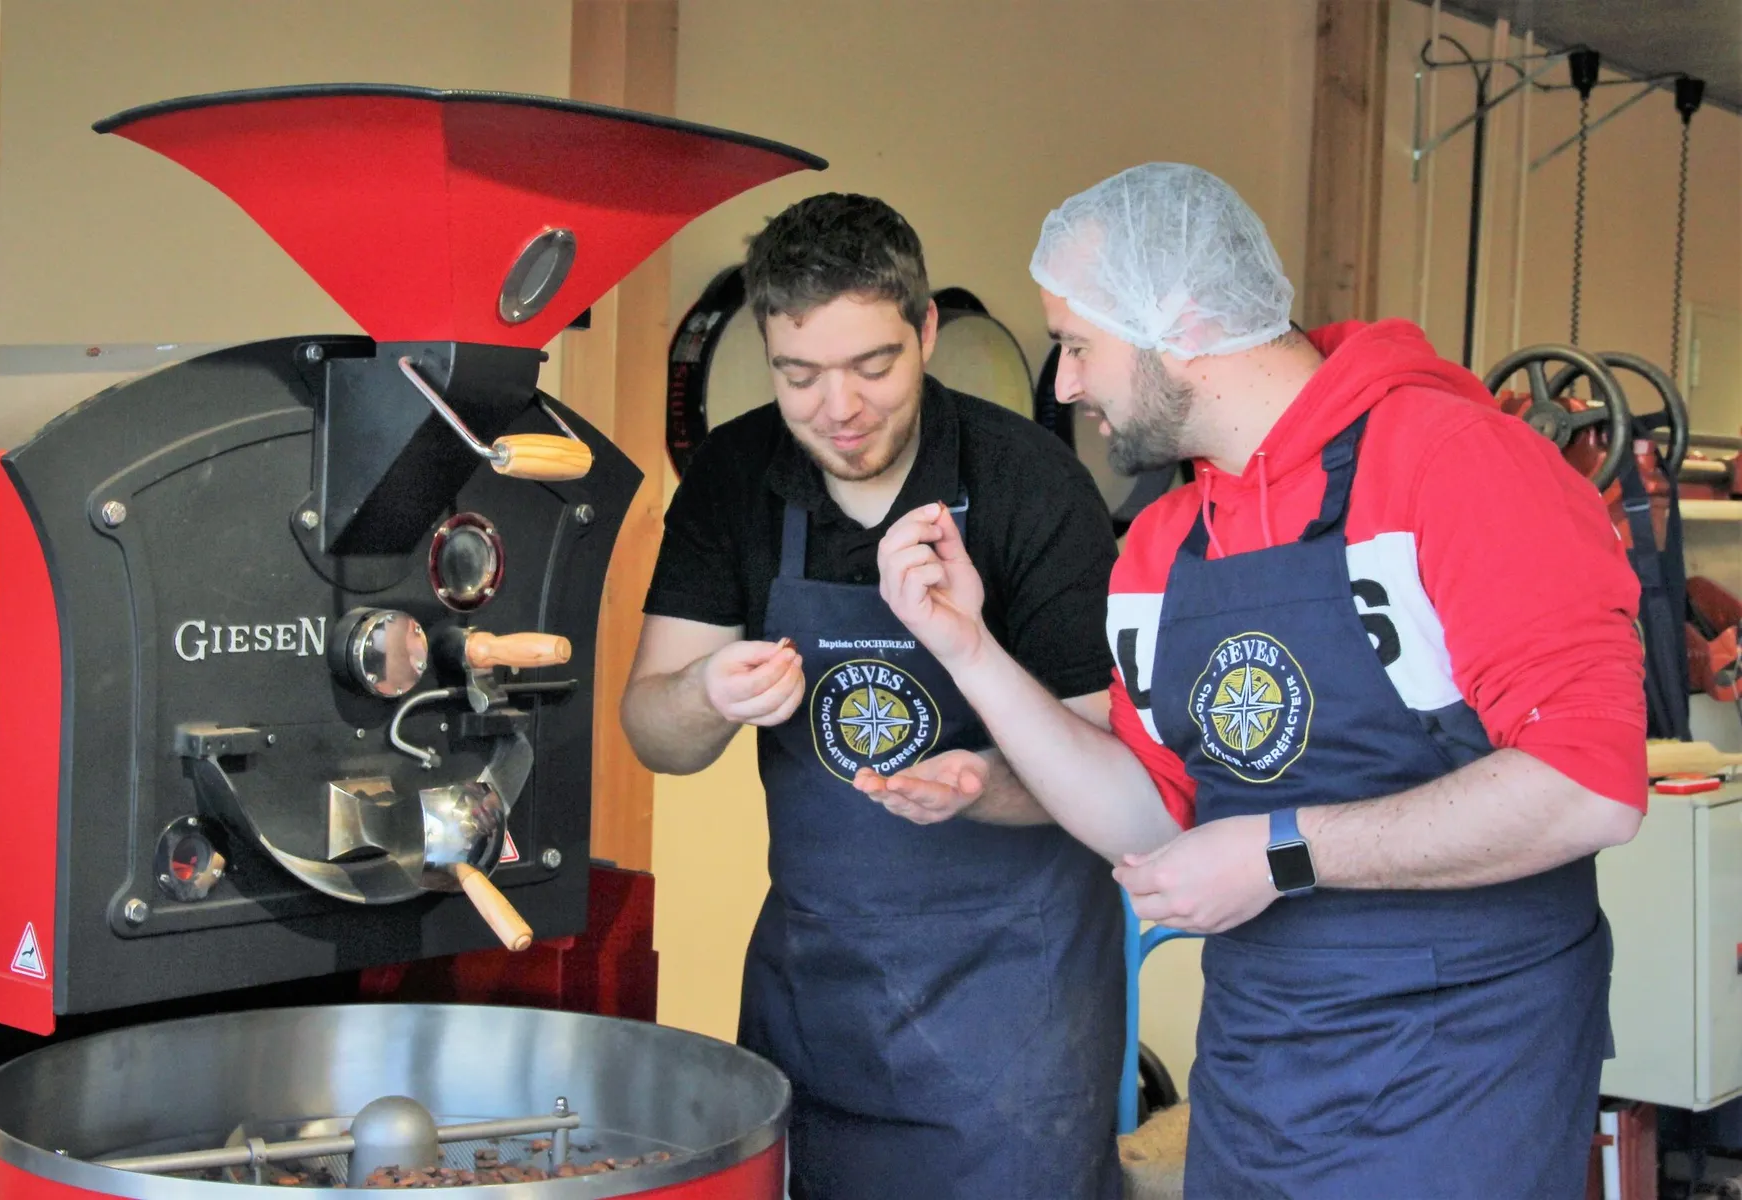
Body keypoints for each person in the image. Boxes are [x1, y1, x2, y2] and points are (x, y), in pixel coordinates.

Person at [873, 163, 1647, 1198]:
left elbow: (1586, 785)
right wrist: (969, 648)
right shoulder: (1160, 547)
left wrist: (1284, 854)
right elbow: (1154, 823)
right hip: (1259, 1086)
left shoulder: (1457, 467)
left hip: (1461, 1084)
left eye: (1078, 344)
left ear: (1183, 326)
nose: (1063, 384)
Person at [620, 192, 1127, 1199]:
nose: (838, 409)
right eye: (800, 375)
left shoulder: (1031, 483)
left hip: (1013, 1019)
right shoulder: (734, 475)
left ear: (927, 330)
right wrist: (707, 694)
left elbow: (1112, 768)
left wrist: (980, 786)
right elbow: (654, 733)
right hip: (819, 999)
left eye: (873, 367)